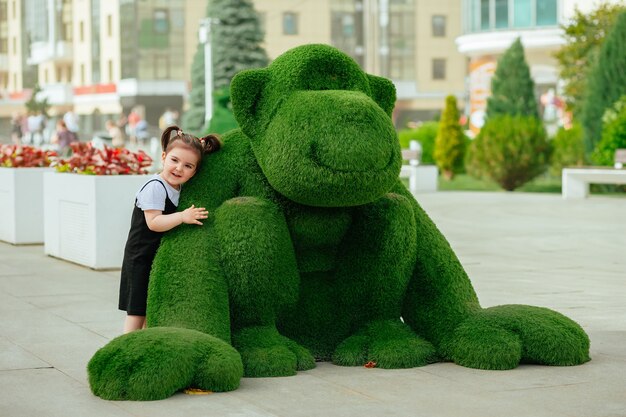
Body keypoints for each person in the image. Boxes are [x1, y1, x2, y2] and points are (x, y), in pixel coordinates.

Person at [118, 125, 221, 333]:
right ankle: (126, 345)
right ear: (164, 156)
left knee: (149, 305)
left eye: (188, 166)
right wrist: (183, 217)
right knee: (137, 310)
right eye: (174, 160)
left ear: (195, 172)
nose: (179, 168)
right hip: (139, 257)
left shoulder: (176, 187)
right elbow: (154, 222)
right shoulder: (156, 186)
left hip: (152, 255)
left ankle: (144, 343)